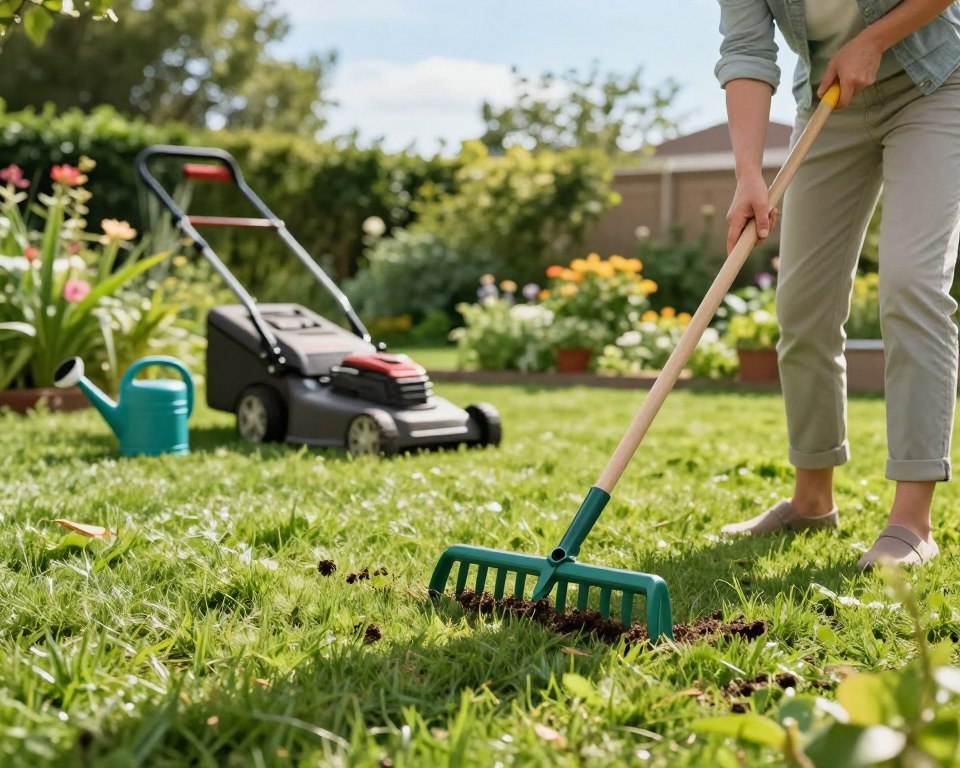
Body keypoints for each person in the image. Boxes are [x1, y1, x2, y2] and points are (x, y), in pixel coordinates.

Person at [714, 0, 960, 568]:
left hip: (934, 83)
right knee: (803, 306)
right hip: (830, 99)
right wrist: (749, 174)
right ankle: (811, 499)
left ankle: (911, 522)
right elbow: (746, 50)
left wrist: (875, 38)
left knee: (912, 283)